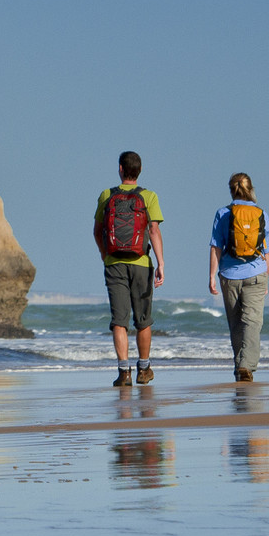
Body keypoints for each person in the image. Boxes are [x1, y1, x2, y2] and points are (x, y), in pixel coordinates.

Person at [94, 150, 164, 386]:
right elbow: (153, 230)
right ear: (140, 171)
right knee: (143, 319)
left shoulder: (106, 195)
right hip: (142, 264)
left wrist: (106, 255)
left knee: (119, 320)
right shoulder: (149, 196)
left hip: (114, 263)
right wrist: (161, 263)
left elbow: (97, 230)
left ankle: (124, 373)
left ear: (121, 169)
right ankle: (143, 370)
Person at [207, 172, 269, 382]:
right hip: (256, 273)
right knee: (252, 323)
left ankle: (241, 366)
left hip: (229, 275)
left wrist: (212, 276)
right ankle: (246, 366)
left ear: (231, 189)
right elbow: (268, 251)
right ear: (250, 188)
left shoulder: (223, 213)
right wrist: (265, 277)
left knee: (236, 323)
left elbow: (216, 246)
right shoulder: (261, 213)